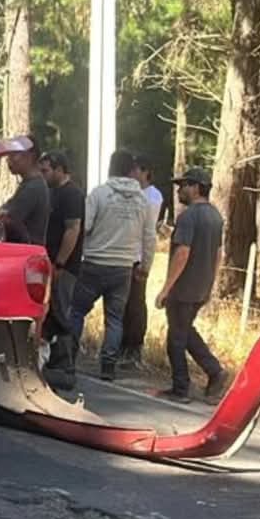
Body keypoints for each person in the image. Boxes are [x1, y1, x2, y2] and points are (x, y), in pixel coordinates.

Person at [66, 149, 157, 383]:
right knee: (115, 319)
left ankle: (68, 358)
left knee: (77, 311)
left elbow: (84, 226)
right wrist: (145, 265)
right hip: (124, 267)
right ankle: (108, 365)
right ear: (130, 170)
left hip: (95, 262)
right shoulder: (142, 200)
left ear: (111, 167)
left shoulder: (99, 194)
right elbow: (149, 236)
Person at [155, 167, 229, 401]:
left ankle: (182, 388)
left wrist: (166, 288)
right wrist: (211, 283)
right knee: (185, 333)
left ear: (197, 187)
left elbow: (182, 253)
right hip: (201, 287)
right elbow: (219, 254)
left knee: (176, 340)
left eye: (184, 185)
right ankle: (215, 373)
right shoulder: (216, 216)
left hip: (183, 288)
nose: (179, 189)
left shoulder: (188, 217)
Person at [39, 150, 84, 375]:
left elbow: (72, 229)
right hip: (51, 262)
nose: (43, 175)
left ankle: (65, 364)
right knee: (53, 310)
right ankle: (55, 359)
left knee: (61, 311)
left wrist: (60, 263)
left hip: (64, 266)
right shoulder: (53, 192)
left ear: (59, 169)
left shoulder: (71, 195)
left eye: (46, 170)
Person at [120, 156, 164, 368]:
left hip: (137, 255)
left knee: (136, 303)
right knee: (123, 303)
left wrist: (146, 262)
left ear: (145, 172)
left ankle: (134, 346)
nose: (131, 174)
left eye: (135, 169)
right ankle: (121, 344)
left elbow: (148, 231)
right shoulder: (133, 193)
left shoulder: (152, 197)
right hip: (126, 252)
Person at [0, 136, 49, 244]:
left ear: (31, 156)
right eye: (8, 155)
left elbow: (8, 220)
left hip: (28, 252)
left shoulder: (33, 187)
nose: (9, 160)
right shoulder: (29, 184)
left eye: (14, 154)